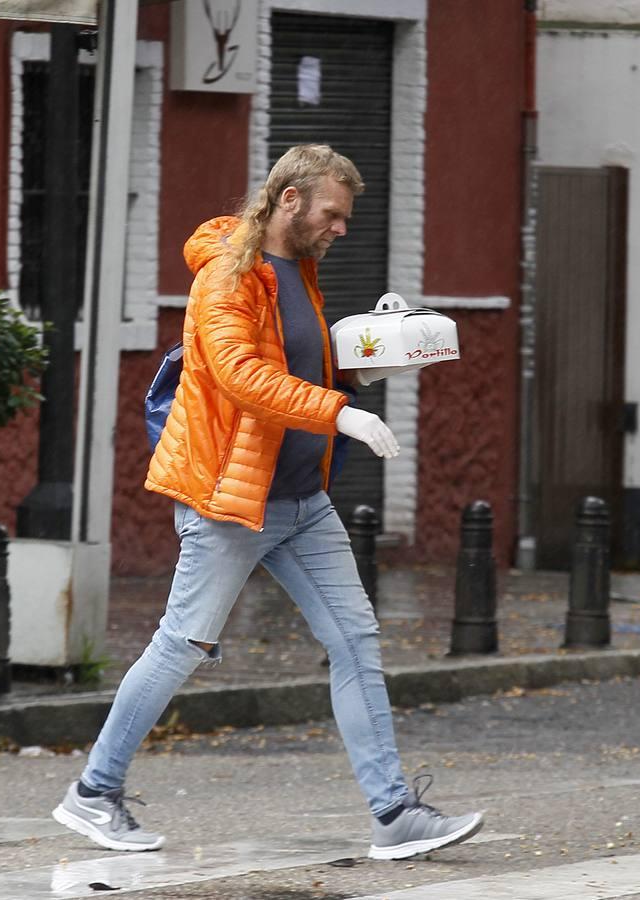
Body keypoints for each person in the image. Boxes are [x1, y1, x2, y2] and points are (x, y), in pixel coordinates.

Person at [52, 144, 484, 861]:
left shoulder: (299, 269)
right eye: (333, 215)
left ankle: (394, 814)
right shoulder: (228, 274)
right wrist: (340, 414)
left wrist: (368, 362)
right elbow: (242, 375)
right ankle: (95, 793)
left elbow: (296, 361)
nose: (342, 228)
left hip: (299, 499)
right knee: (179, 646)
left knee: (355, 640)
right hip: (230, 498)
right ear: (289, 200)